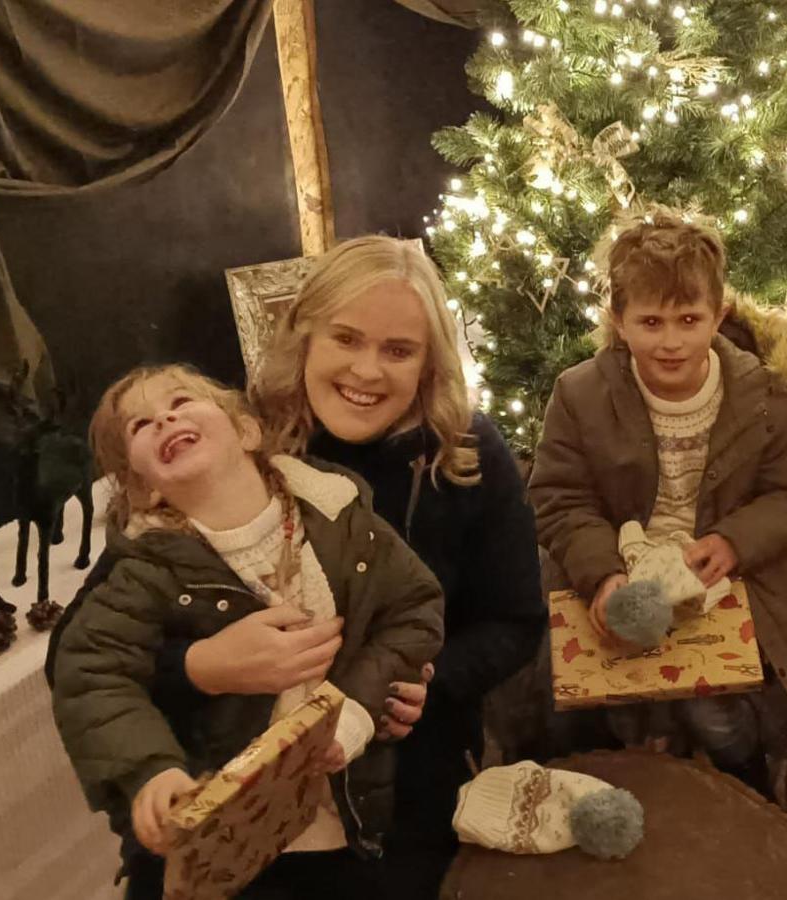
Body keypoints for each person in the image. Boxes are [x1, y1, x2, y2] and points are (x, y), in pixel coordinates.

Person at [47, 236, 546, 898]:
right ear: (304, 335)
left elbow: (515, 621)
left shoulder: (467, 456)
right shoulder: (224, 442)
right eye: (346, 338)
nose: (367, 371)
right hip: (222, 782)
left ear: (429, 363)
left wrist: (424, 684)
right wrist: (203, 669)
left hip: (393, 787)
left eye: (398, 350)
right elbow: (77, 655)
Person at [50, 365, 445, 899]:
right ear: (142, 488)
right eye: (141, 425)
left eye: (182, 401)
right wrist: (151, 770)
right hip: (216, 842)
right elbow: (90, 672)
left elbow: (414, 608)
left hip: (343, 822)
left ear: (246, 431)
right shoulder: (145, 571)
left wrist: (356, 711)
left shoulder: (343, 521)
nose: (165, 418)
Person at [527, 214, 787, 821]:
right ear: (619, 321)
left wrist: (733, 540)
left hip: (730, 577)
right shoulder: (579, 394)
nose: (670, 342)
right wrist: (602, 573)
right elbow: (559, 498)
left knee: (718, 715)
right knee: (589, 700)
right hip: (618, 566)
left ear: (718, 314)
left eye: (688, 320)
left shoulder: (768, 400)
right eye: (650, 322)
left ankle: (743, 790)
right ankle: (621, 775)